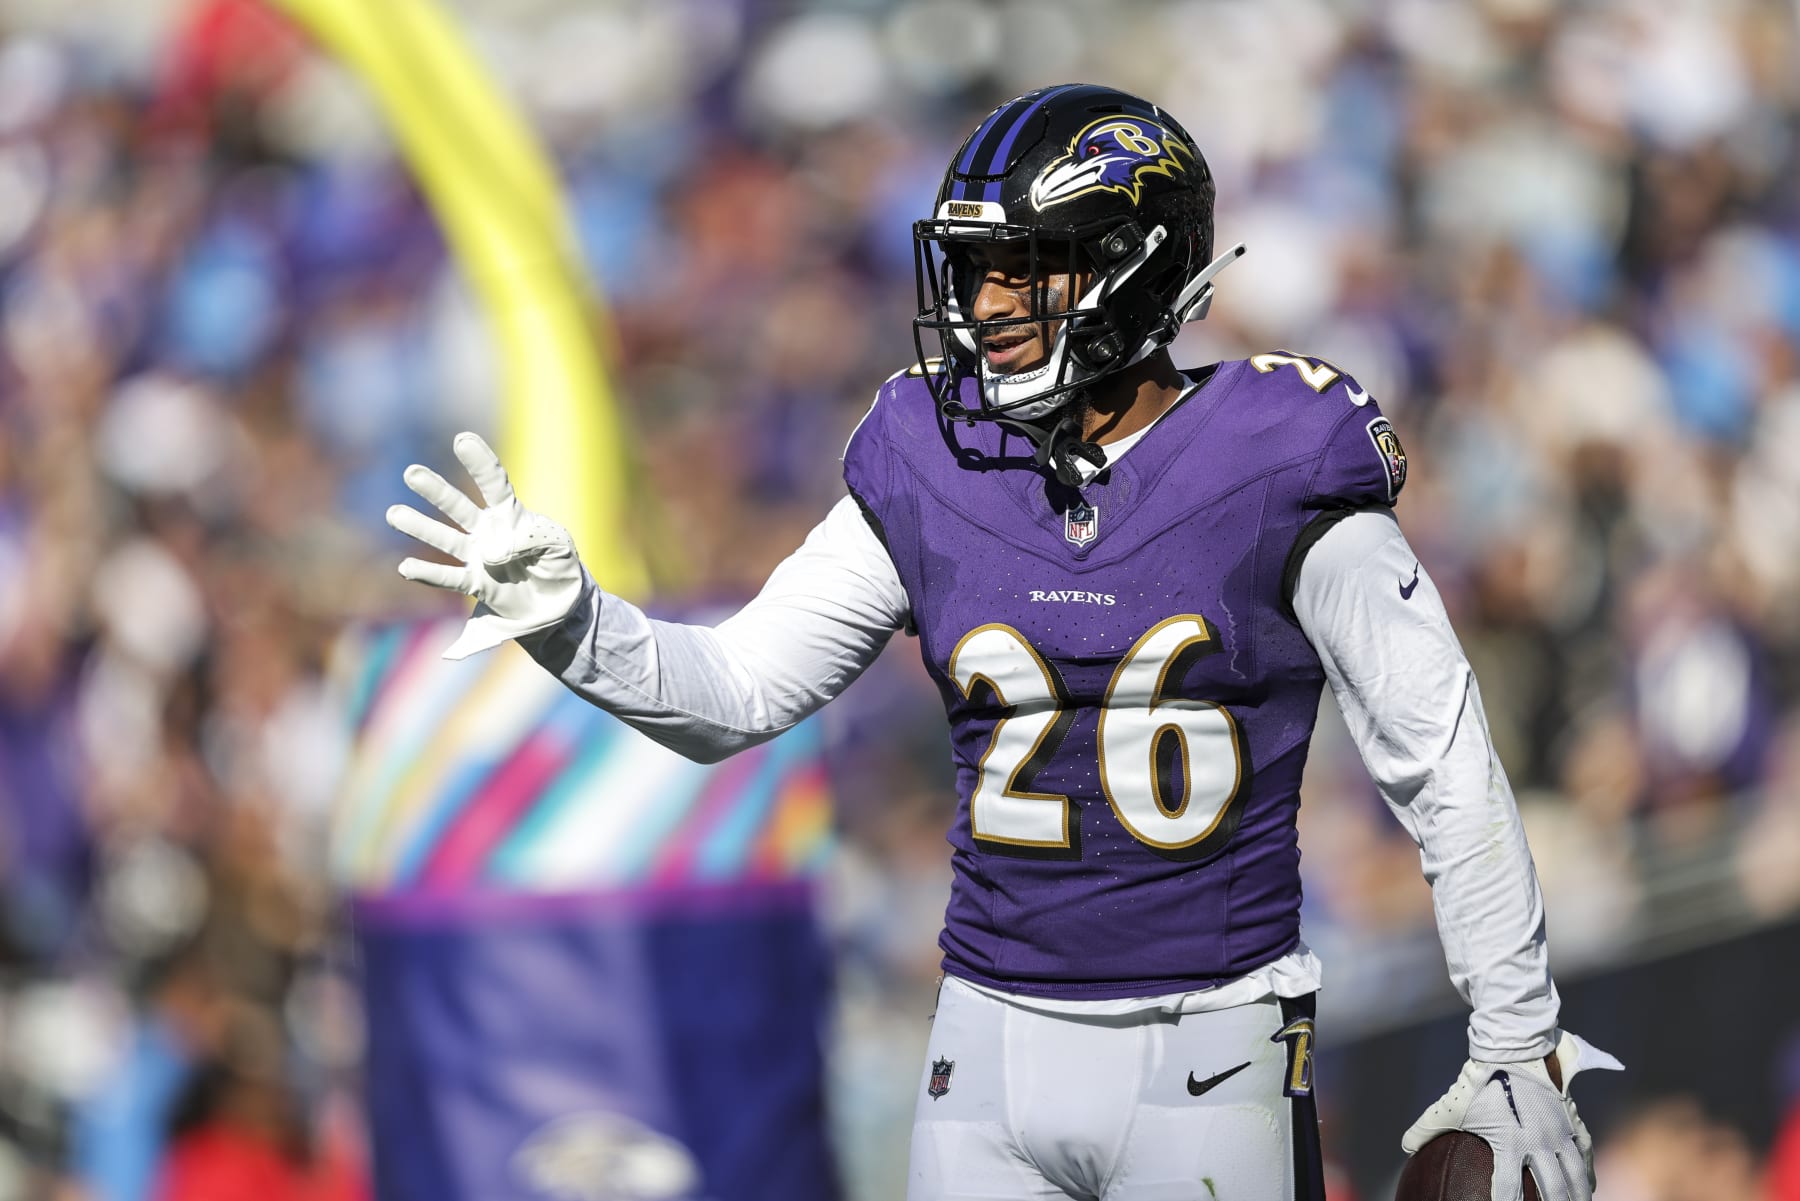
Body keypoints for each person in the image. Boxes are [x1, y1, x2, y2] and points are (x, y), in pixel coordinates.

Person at [386, 83, 1619, 1201]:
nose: (985, 307)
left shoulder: (1276, 458)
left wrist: (1515, 1037)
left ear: (1133, 267)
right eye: (975, 270)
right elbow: (740, 689)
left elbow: (1442, 763)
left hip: (1210, 1046)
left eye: (1023, 271)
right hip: (982, 1048)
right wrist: (578, 624)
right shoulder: (936, 454)